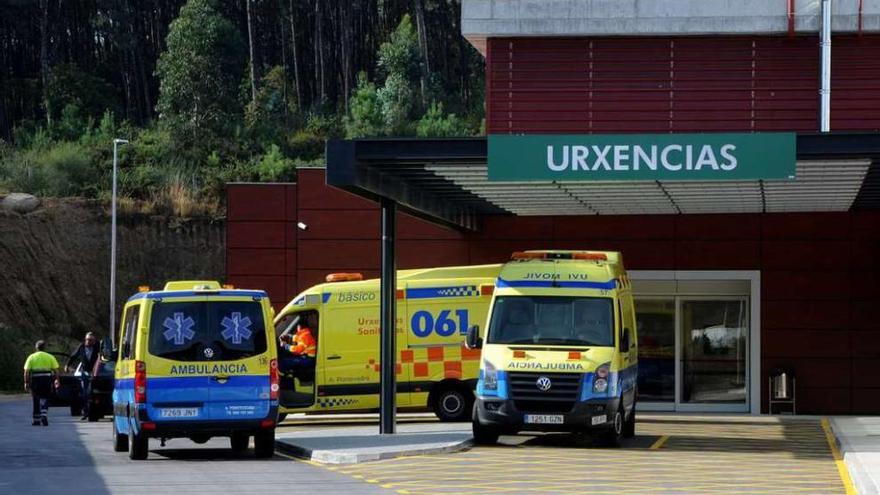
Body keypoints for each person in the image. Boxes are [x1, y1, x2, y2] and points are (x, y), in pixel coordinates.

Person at [23, 340, 60, 426]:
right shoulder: (50, 357)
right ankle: (44, 414)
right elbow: (56, 371)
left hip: (35, 380)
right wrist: (57, 380)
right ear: (44, 348)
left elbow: (26, 372)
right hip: (47, 380)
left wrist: (26, 382)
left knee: (36, 399)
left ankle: (36, 420)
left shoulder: (31, 357)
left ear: (36, 348)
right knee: (46, 397)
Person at [66, 332, 99, 420]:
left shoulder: (98, 347)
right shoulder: (81, 347)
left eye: (90, 340)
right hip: (85, 373)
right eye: (87, 340)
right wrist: (67, 365)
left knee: (93, 393)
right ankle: (85, 412)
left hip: (95, 373)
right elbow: (73, 356)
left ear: (94, 341)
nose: (88, 342)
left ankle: (94, 411)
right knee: (85, 393)